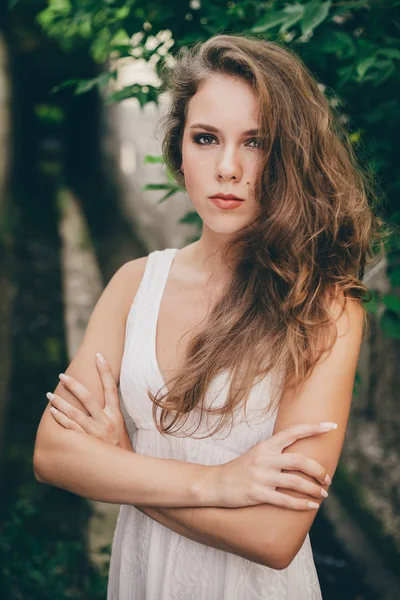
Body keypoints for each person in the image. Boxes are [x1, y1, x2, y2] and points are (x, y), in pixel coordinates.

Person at [33, 33, 381, 599]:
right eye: (205, 138)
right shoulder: (133, 284)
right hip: (142, 578)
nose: (227, 167)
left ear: (290, 157)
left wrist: (120, 464)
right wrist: (217, 482)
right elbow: (53, 454)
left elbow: (274, 535)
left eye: (257, 142)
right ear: (178, 151)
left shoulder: (322, 309)